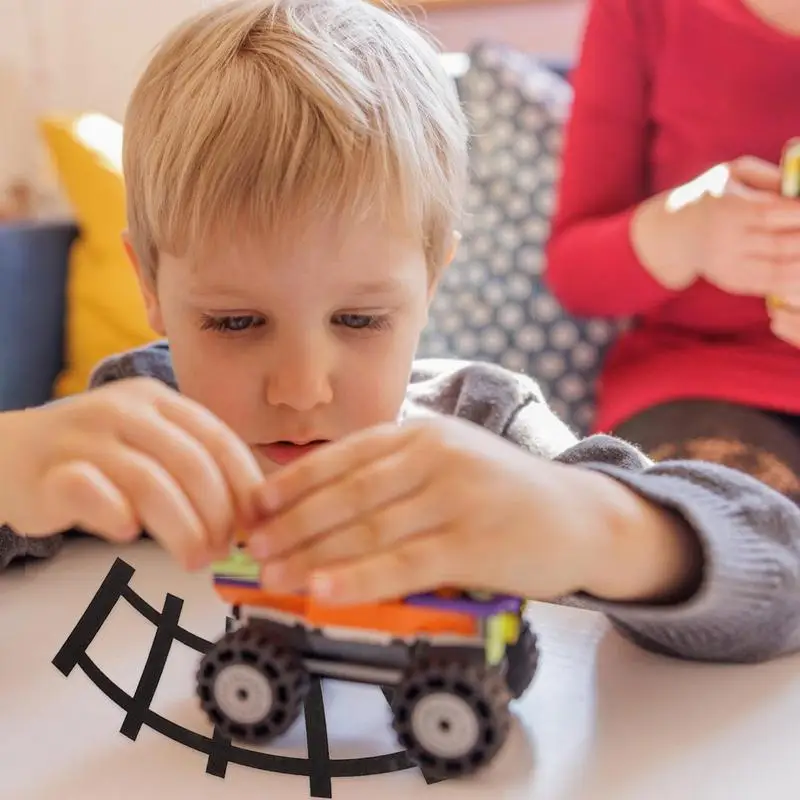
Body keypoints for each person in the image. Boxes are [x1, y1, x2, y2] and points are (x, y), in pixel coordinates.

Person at [1, 0, 800, 666]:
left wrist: (597, 527)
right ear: (150, 287)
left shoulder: (484, 430)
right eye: (236, 322)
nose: (302, 387)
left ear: (431, 285)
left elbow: (782, 572)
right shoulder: (133, 430)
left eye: (359, 320)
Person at [544, 0, 800, 503]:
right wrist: (685, 232)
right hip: (697, 384)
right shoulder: (641, 11)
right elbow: (575, 274)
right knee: (709, 524)